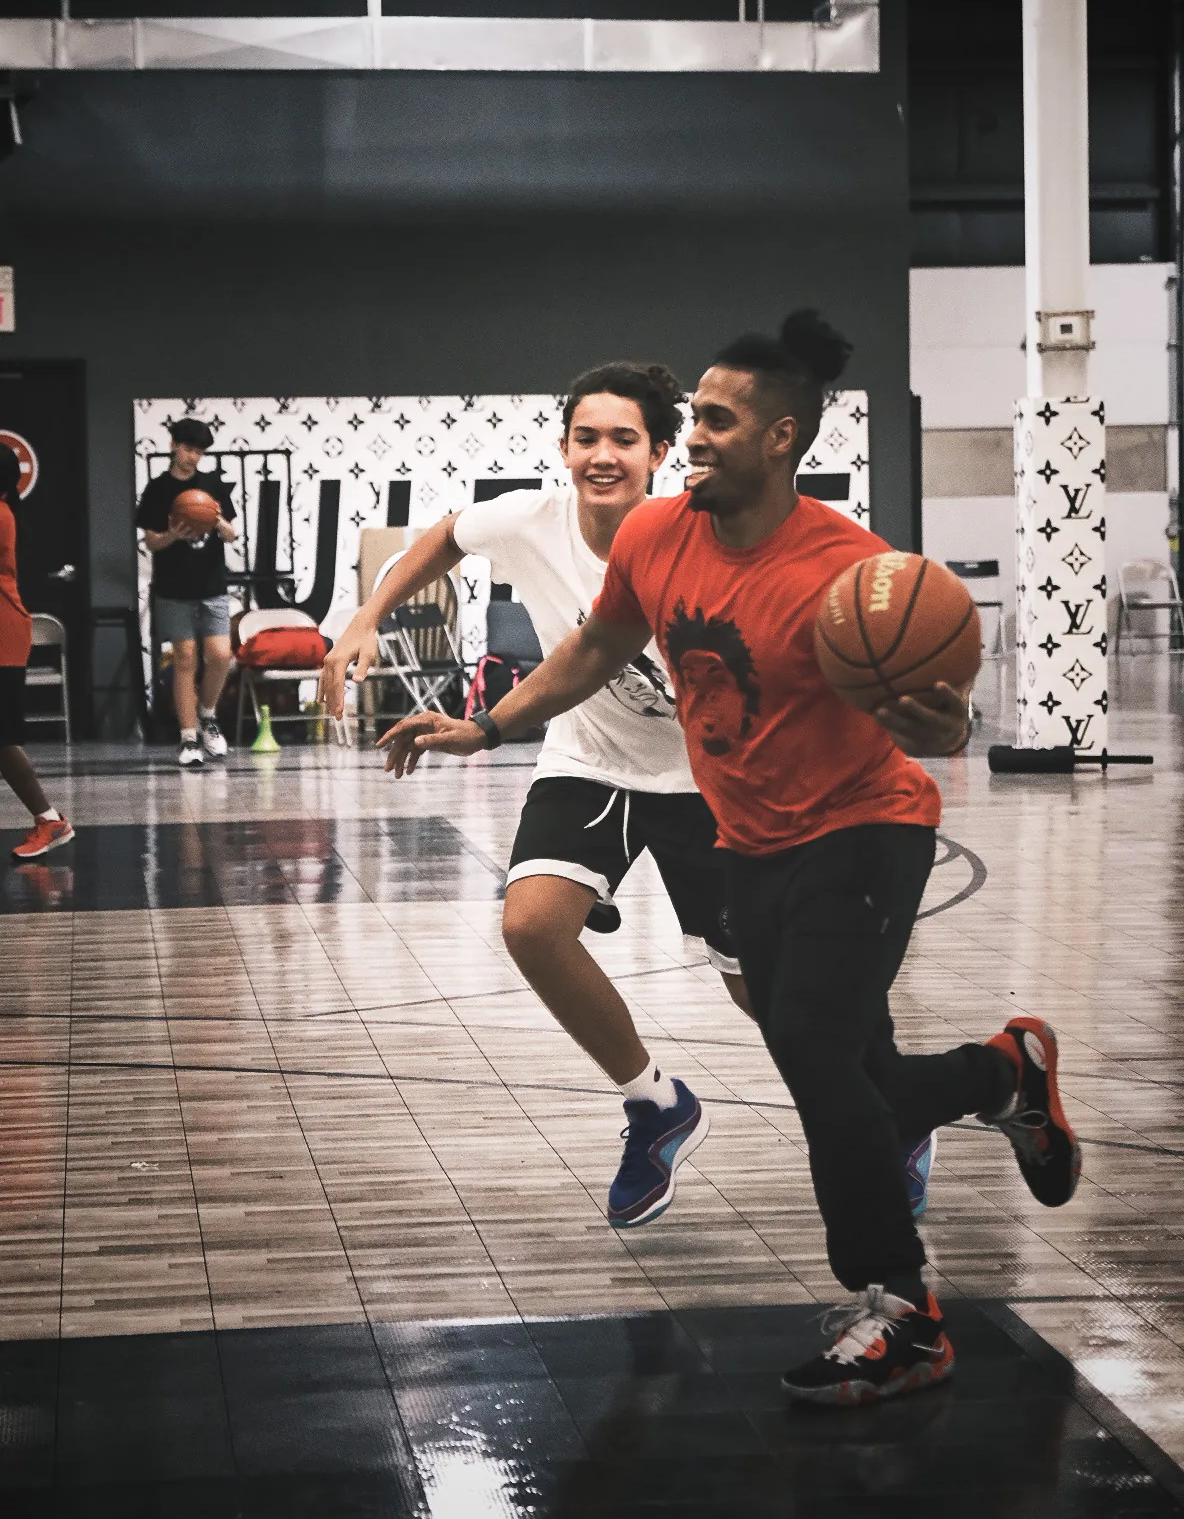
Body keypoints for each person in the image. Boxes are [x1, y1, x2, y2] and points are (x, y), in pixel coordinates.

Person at [381, 310, 1081, 1407]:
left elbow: (936, 732)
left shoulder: (853, 571)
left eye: (712, 420)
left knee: (805, 1042)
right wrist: (487, 726)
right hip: (747, 833)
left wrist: (941, 719)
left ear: (780, 439)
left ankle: (898, 1307)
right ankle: (1002, 1075)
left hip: (862, 827)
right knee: (851, 1072)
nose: (688, 436)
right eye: (692, 417)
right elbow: (595, 649)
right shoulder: (658, 539)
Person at [320, 363, 749, 1229]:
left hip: (710, 783)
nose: (602, 454)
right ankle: (655, 1104)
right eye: (585, 437)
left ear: (661, 452)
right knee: (530, 927)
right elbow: (443, 535)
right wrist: (367, 613)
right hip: (589, 757)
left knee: (762, 990)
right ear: (561, 447)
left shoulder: (703, 535)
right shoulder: (530, 518)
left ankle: (887, 1107)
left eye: (624, 439)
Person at [136, 419, 237, 767]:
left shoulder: (211, 485)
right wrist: (173, 537)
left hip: (212, 585)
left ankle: (208, 716)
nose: (194, 456)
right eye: (189, 449)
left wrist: (219, 523)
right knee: (185, 659)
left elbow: (232, 533)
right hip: (173, 588)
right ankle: (189, 738)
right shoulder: (157, 489)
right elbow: (150, 540)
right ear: (173, 445)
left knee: (221, 655)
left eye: (199, 451)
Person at [0, 444, 74, 861]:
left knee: (4, 741)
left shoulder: (0, 514)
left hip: (3, 636)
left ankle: (50, 821)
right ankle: (49, 819)